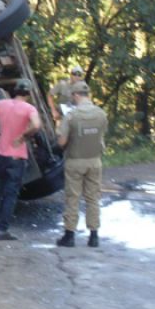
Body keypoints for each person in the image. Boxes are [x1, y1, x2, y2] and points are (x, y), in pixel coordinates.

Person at [0, 79, 42, 241]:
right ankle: (2, 230)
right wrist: (23, 136)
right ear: (28, 93)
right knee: (10, 194)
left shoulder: (2, 104)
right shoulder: (29, 108)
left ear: (15, 90)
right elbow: (36, 125)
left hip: (0, 154)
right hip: (16, 156)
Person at [56, 81, 108, 248]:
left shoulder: (71, 116)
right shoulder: (101, 114)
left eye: (72, 95)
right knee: (93, 198)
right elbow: (101, 137)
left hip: (75, 161)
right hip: (95, 161)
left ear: (76, 95)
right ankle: (94, 236)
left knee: (73, 197)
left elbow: (62, 142)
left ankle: (69, 236)